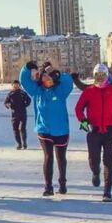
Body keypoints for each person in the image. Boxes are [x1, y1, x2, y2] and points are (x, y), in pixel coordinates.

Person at [74, 64, 112, 202]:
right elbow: (79, 108)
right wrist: (83, 121)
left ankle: (107, 191)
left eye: (103, 75)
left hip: (110, 130)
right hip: (94, 130)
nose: (100, 78)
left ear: (107, 76)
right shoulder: (89, 91)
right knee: (94, 159)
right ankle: (95, 172)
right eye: (97, 75)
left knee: (109, 161)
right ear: (94, 76)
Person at [20, 61, 74, 197]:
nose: (47, 78)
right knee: (48, 156)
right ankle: (48, 186)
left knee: (61, 157)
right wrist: (28, 68)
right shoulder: (37, 91)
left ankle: (62, 183)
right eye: (44, 75)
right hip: (44, 129)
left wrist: (57, 72)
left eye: (49, 76)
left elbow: (69, 81)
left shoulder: (60, 90)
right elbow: (24, 80)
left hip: (61, 129)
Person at [4, 80, 31, 149]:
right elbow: (6, 102)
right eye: (14, 85)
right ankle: (19, 144)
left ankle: (24, 142)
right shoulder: (10, 94)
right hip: (14, 114)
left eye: (17, 85)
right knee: (15, 129)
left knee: (22, 128)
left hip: (22, 113)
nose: (16, 86)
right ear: (12, 86)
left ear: (19, 85)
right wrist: (8, 105)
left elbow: (28, 100)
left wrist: (25, 105)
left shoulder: (22, 93)